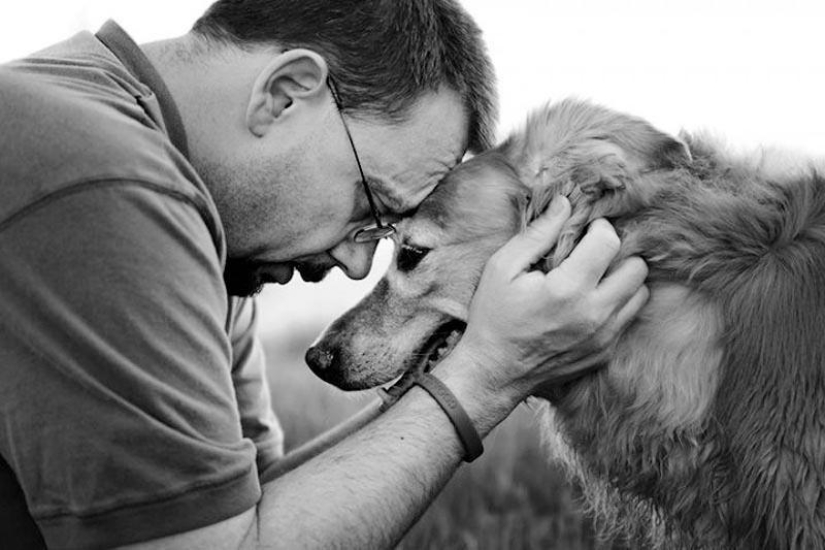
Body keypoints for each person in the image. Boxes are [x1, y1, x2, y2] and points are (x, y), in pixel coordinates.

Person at [0, 0, 649, 548]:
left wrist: (457, 367)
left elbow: (255, 512)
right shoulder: (102, 181)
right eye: (369, 207)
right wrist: (488, 376)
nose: (357, 261)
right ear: (286, 95)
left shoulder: (212, 240)